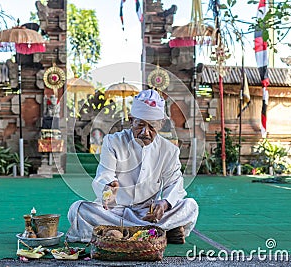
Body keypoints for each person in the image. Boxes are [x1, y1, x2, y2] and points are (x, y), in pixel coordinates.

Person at [66, 89, 198, 244]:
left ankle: (112, 234)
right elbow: (104, 174)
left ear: (162, 124)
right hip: (115, 212)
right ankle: (157, 233)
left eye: (152, 126)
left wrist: (164, 203)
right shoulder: (113, 141)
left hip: (148, 213)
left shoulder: (169, 150)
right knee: (78, 209)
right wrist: (108, 187)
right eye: (140, 124)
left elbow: (174, 184)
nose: (145, 132)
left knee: (190, 206)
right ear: (131, 120)